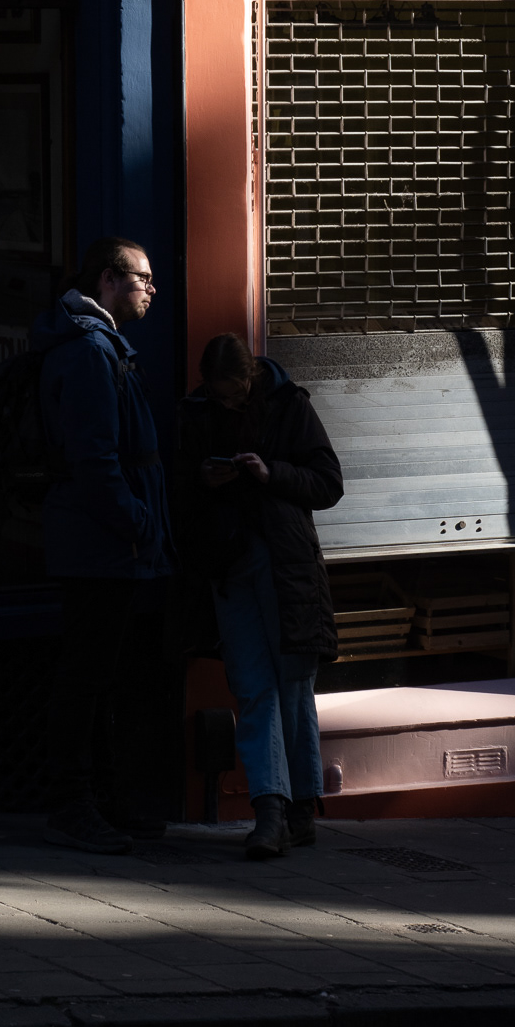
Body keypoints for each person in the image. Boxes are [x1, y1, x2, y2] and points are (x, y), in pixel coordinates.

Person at [32, 236, 173, 854]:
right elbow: (96, 460)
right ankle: (73, 804)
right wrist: (138, 523)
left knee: (100, 675)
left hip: (106, 545)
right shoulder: (91, 351)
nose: (151, 289)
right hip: (102, 548)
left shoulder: (99, 345)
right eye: (143, 278)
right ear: (111, 281)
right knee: (87, 678)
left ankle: (105, 800)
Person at [178, 333, 343, 859]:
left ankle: (298, 807)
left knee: (292, 684)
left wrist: (271, 473)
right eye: (218, 395)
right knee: (253, 687)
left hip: (283, 565)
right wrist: (203, 478)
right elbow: (175, 487)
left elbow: (328, 483)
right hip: (230, 566)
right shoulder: (196, 412)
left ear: (250, 380)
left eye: (233, 394)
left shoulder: (290, 405)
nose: (227, 403)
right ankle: (270, 810)